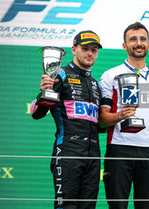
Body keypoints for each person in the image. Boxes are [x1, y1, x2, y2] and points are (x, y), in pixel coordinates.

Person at [30, 30, 103, 209]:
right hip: (68, 152)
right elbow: (37, 113)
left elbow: (100, 125)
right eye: (85, 48)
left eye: (94, 49)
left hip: (93, 155)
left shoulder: (95, 84)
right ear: (73, 49)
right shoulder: (60, 75)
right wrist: (44, 91)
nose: (89, 53)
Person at [99, 22, 149, 209]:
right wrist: (121, 115)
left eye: (143, 39)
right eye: (133, 39)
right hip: (119, 148)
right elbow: (102, 120)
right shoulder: (110, 75)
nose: (138, 43)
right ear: (124, 45)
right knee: (117, 206)